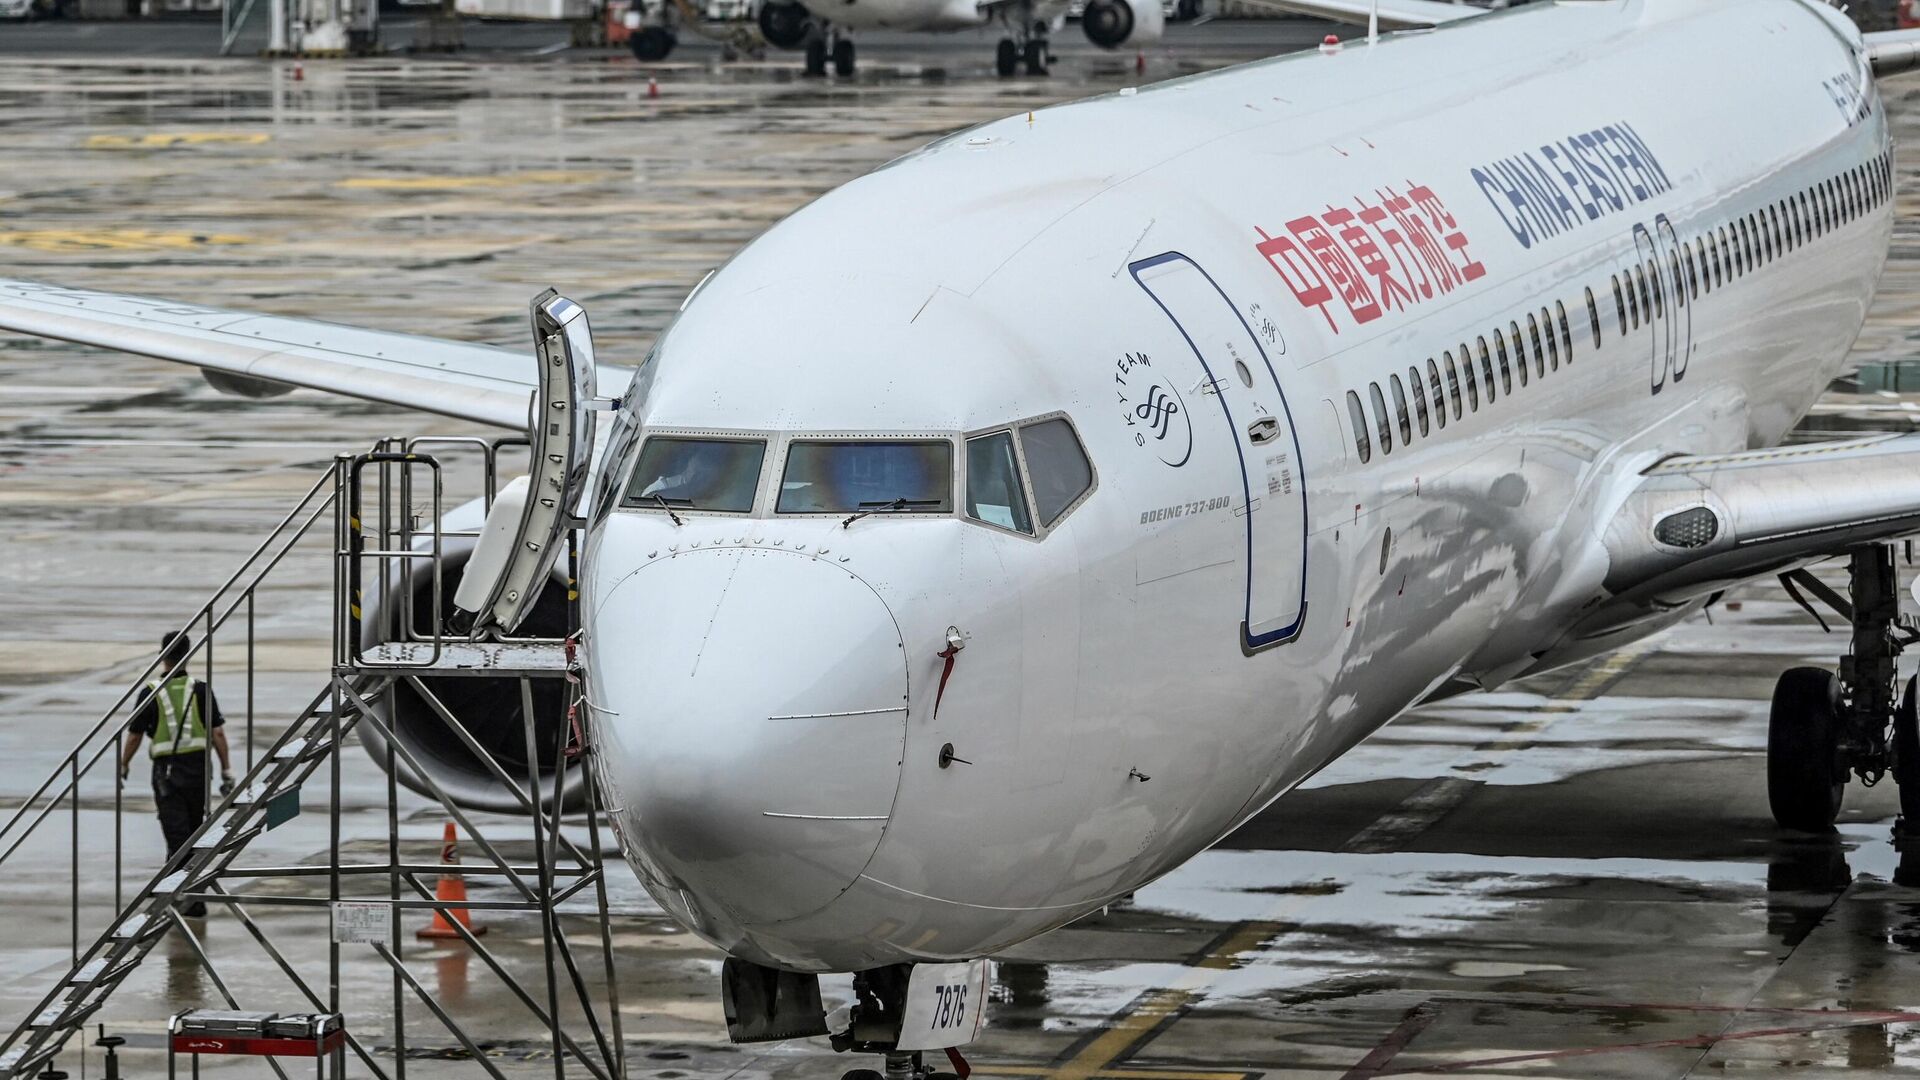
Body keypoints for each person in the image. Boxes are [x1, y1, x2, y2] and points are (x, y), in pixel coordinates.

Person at [118, 632, 234, 918]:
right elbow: (217, 732)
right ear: (188, 654)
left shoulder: (151, 691)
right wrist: (226, 769)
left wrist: (124, 764)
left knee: (176, 834)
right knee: (193, 834)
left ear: (162, 654)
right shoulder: (201, 690)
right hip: (197, 770)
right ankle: (191, 898)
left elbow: (133, 735)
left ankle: (181, 897)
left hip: (166, 773)